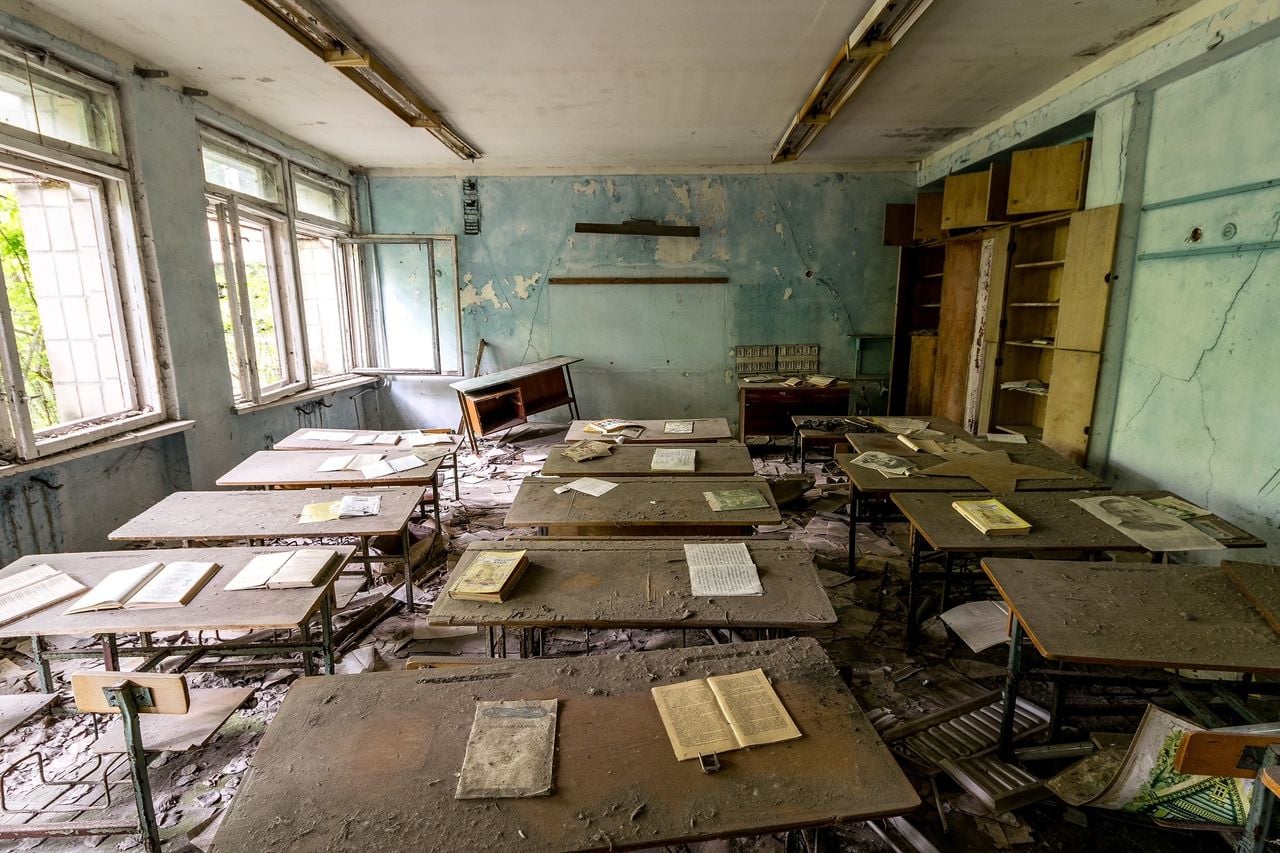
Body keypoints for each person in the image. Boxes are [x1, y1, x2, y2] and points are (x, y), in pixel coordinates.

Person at [1097, 497, 1181, 532]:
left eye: (1136, 510)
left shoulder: (1171, 526)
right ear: (1112, 513)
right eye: (1124, 512)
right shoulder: (1125, 530)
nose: (1135, 514)